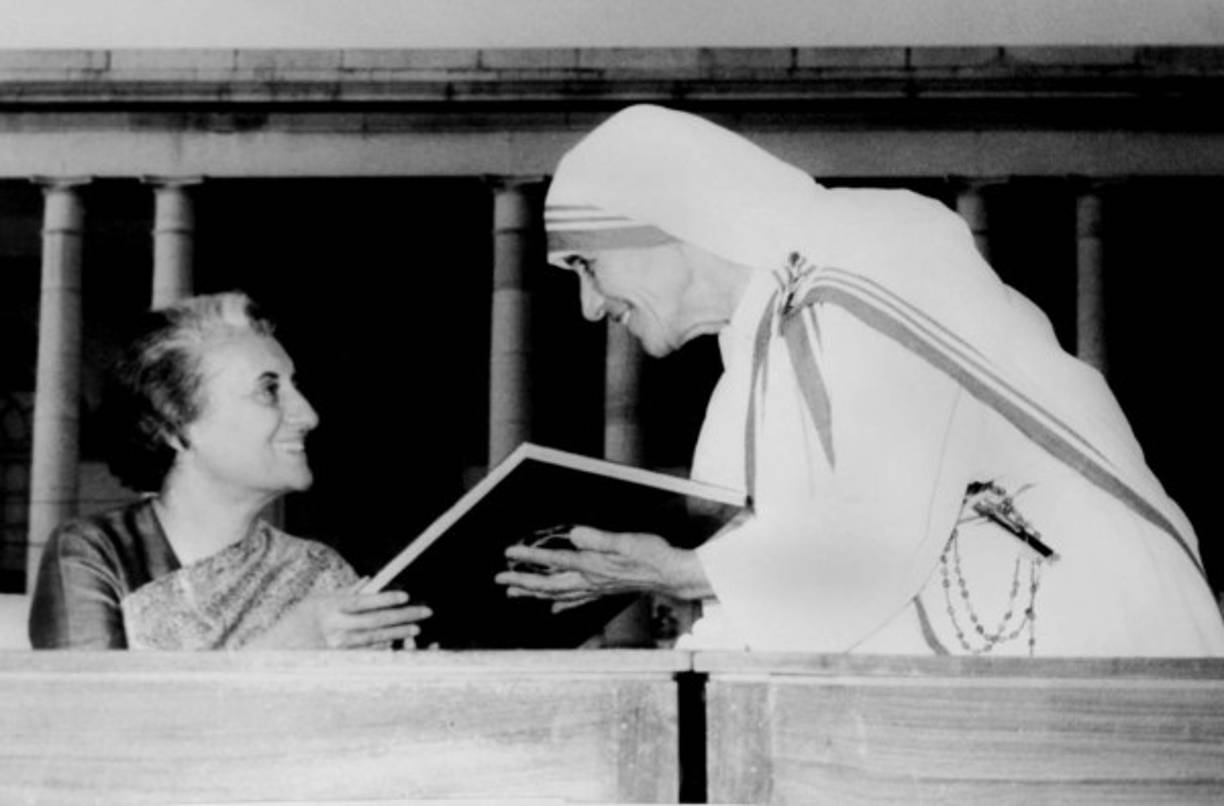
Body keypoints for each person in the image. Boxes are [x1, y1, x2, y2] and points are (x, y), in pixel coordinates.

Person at [495, 104, 1224, 656]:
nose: (590, 306)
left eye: (586, 265)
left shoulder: (852, 269)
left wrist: (679, 573)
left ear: (665, 223)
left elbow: (864, 550)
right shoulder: (767, 335)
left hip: (1106, 658)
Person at [28, 292, 431, 649]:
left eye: (295, 387)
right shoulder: (97, 552)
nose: (309, 416)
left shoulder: (319, 570)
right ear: (176, 424)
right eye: (270, 390)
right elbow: (90, 725)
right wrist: (281, 650)